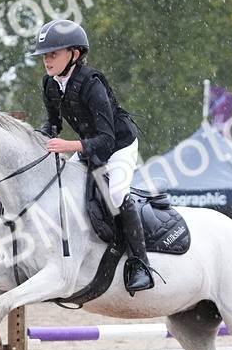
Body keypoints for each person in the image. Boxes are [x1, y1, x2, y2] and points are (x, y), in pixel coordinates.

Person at [31, 19, 153, 295]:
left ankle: (140, 263)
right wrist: (39, 139)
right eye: (44, 56)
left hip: (118, 145)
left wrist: (69, 146)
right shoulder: (50, 84)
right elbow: (53, 124)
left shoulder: (92, 84)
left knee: (117, 195)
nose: (47, 61)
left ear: (74, 54)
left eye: (53, 54)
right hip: (88, 146)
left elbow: (107, 139)